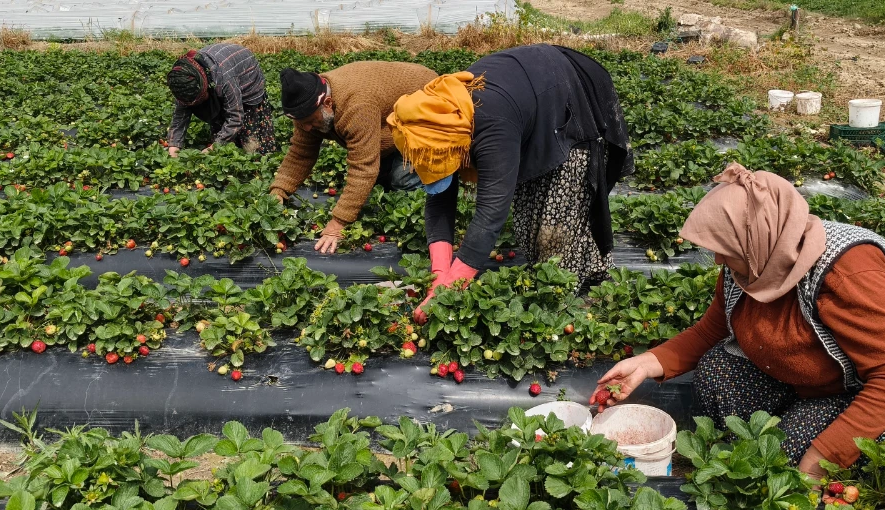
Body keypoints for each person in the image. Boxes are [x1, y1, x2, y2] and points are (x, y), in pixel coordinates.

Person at [589, 164, 885, 478]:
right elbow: (715, 328)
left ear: (759, 237)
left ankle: (799, 435)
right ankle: (778, 430)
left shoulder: (847, 272)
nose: (718, 261)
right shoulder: (752, 262)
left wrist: (821, 459)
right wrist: (645, 364)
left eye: (725, 250)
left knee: (786, 451)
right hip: (824, 376)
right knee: (716, 373)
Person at [386, 44, 632, 321]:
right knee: (529, 221)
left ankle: (567, 302)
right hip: (528, 101)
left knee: (558, 220)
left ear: (460, 147)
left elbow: (491, 212)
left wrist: (453, 287)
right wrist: (440, 274)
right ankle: (562, 281)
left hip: (570, 95)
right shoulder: (441, 125)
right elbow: (440, 200)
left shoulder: (491, 126)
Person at [268, 62, 438, 254]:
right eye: (301, 123)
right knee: (380, 184)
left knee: (403, 178)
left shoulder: (357, 105)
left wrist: (338, 223)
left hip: (428, 109)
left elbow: (363, 168)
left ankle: (432, 221)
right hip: (392, 116)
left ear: (328, 104)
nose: (306, 128)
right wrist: (279, 191)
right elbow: (301, 153)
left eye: (309, 122)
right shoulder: (309, 106)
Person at [165, 44, 276, 157]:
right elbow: (179, 118)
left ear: (204, 87)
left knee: (252, 142)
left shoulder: (224, 78)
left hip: (246, 74)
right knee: (221, 141)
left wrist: (213, 148)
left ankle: (258, 159)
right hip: (222, 71)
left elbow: (235, 117)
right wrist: (173, 149)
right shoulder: (183, 81)